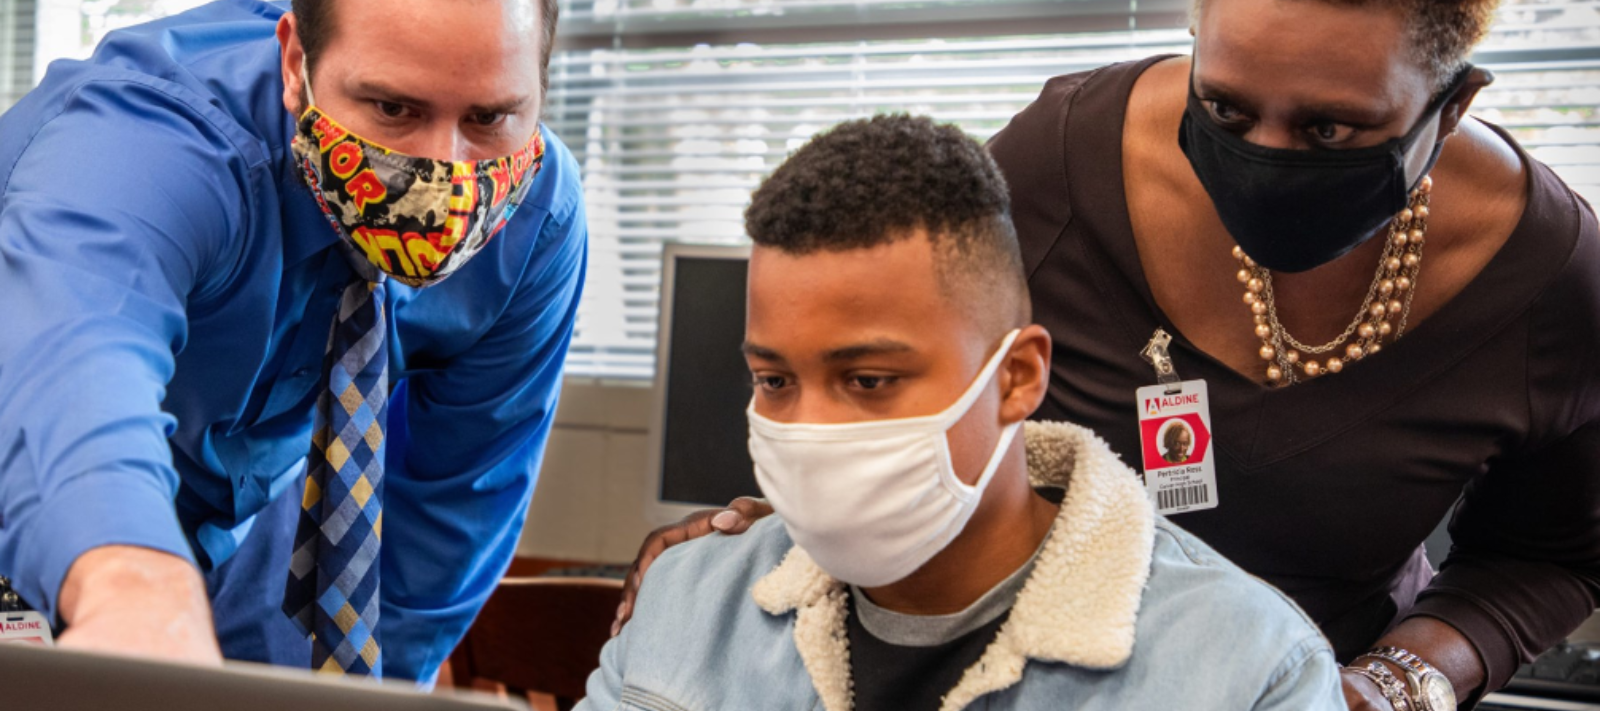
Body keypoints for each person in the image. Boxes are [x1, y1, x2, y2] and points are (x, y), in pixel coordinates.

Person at [616, 0, 1600, 708]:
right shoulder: (1056, 164)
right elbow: (890, 373)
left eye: (1330, 128)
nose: (1262, 152)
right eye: (1222, 109)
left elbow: (1552, 554)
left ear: (1453, 102)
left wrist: (1399, 682)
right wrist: (812, 513)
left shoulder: (1550, 276)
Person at [580, 114, 1344, 711]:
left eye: (869, 379)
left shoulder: (1244, 667)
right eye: (774, 379)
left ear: (1015, 376)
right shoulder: (688, 600)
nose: (810, 426)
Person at [0, 0, 584, 683]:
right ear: (296, 63)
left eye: (487, 117)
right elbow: (75, 363)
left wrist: (383, 695)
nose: (442, 177)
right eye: (393, 108)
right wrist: (132, 581)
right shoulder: (150, 145)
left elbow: (454, 501)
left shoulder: (535, 224)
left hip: (255, 500)